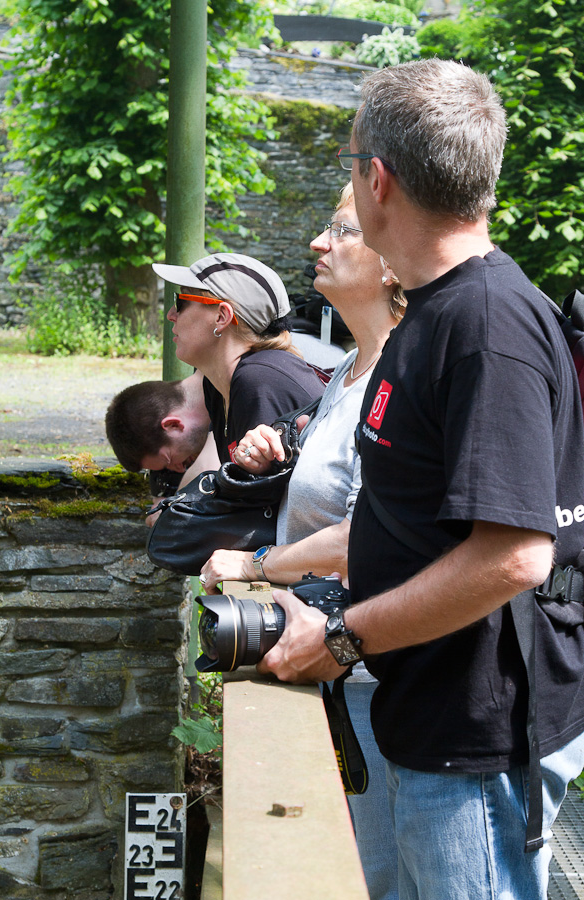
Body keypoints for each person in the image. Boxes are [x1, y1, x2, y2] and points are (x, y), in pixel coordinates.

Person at [252, 59, 584, 900]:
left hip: (474, 740)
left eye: (349, 163)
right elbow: (409, 525)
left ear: (378, 179)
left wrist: (341, 639)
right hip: (427, 719)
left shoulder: (486, 326)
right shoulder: (435, 311)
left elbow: (516, 557)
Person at [199, 183, 404, 900]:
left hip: (378, 674)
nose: (317, 243)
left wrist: (254, 563)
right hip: (346, 670)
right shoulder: (349, 371)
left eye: (342, 231)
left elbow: (369, 536)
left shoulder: (401, 375)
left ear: (390, 262)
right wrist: (282, 451)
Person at [105, 252, 325, 487]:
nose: (170, 315)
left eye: (181, 303)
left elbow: (263, 506)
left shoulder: (258, 380)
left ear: (221, 316)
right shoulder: (218, 386)